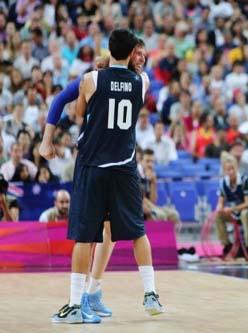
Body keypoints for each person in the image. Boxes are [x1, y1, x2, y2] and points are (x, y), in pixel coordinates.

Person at [40, 29, 164, 324]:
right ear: (133, 51)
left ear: (108, 49)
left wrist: (48, 139)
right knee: (136, 231)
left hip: (93, 167)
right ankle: (150, 293)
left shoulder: (91, 79)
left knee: (85, 237)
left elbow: (76, 108)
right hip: (124, 167)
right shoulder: (143, 81)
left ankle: (75, 303)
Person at [215, 152, 248, 258]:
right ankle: (226, 245)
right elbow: (220, 201)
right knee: (218, 216)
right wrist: (220, 208)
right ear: (224, 170)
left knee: (245, 214)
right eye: (228, 169)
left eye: (233, 168)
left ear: (236, 168)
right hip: (233, 212)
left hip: (245, 210)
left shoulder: (244, 180)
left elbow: (247, 203)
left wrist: (232, 209)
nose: (231, 172)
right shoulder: (223, 182)